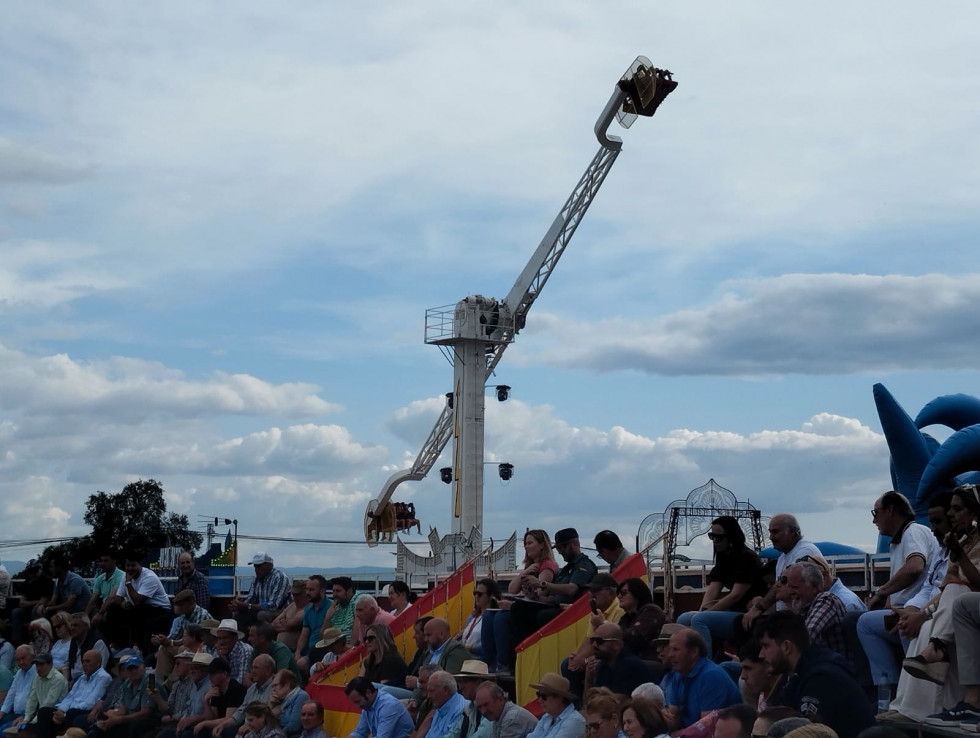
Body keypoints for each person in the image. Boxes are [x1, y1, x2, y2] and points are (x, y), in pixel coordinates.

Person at [874, 494, 951, 722]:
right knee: (872, 623)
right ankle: (896, 698)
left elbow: (920, 571)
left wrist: (918, 612)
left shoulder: (914, 532)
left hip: (946, 608)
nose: (932, 529)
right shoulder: (941, 550)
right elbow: (929, 587)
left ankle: (909, 704)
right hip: (928, 605)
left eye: (937, 522)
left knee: (914, 626)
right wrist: (910, 609)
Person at [856, 491, 938, 694]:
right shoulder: (900, 541)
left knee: (862, 623)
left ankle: (898, 690)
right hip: (906, 607)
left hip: (918, 609)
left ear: (891, 511)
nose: (874, 520)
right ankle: (888, 688)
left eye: (875, 513)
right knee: (862, 622)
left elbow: (914, 568)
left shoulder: (913, 531)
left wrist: (882, 592)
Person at [902, 483, 980, 685]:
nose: (951, 514)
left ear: (974, 512)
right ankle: (908, 707)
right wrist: (921, 614)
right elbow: (944, 591)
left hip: (970, 604)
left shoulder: (961, 546)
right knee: (924, 628)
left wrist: (959, 555)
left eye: (957, 509)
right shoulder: (961, 542)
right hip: (959, 606)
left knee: (932, 625)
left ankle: (936, 648)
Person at [759, 612, 874, 738]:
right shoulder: (799, 671)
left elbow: (808, 733)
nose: (761, 654)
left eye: (766, 646)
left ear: (786, 647)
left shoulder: (822, 680)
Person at [677, 516, 767, 659]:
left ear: (731, 536)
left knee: (700, 620)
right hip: (733, 611)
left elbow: (735, 595)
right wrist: (702, 609)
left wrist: (705, 614)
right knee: (684, 618)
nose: (714, 541)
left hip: (747, 613)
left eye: (718, 537)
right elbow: (713, 589)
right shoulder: (724, 558)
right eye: (712, 536)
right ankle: (683, 659)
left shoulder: (747, 558)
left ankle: (703, 663)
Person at [482, 531, 557, 672]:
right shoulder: (530, 566)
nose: (526, 547)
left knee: (501, 618)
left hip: (535, 609)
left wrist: (513, 605)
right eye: (525, 544)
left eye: (530, 543)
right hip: (525, 606)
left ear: (541, 545)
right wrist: (525, 572)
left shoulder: (547, 566)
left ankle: (503, 663)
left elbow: (540, 593)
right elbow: (512, 589)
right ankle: (489, 661)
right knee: (488, 617)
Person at [742, 515, 822, 633]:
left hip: (799, 618)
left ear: (791, 532)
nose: (771, 537)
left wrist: (759, 608)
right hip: (784, 615)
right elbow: (780, 590)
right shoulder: (782, 558)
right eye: (770, 532)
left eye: (775, 532)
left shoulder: (805, 551)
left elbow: (786, 586)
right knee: (744, 624)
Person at [660, 628, 742, 731]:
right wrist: (659, 717)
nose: (670, 655)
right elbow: (674, 720)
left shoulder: (711, 676)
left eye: (676, 649)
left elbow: (705, 729)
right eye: (670, 649)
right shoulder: (679, 674)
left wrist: (673, 735)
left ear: (694, 652)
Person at [561, 574, 624, 701]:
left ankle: (593, 704)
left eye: (596, 591)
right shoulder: (596, 610)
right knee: (568, 664)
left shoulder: (619, 610)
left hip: (612, 655)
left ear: (610, 593)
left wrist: (584, 661)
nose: (591, 595)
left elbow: (613, 642)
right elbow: (590, 640)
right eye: (591, 591)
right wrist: (578, 658)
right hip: (599, 652)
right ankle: (578, 707)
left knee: (595, 665)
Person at [103, 552, 174, 655]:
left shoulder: (149, 577)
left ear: (139, 565)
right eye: (128, 565)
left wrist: (128, 583)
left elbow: (137, 600)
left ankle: (139, 647)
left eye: (133, 565)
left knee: (137, 611)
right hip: (142, 608)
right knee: (113, 609)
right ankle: (116, 644)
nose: (130, 569)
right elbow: (118, 599)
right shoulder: (126, 576)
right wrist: (123, 603)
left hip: (160, 609)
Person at [37, 650, 111, 737]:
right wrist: (60, 711)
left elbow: (91, 702)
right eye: (83, 661)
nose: (84, 664)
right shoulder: (82, 678)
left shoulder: (104, 677)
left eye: (88, 661)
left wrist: (64, 714)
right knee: (44, 711)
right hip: (70, 711)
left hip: (87, 711)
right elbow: (70, 697)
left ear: (98, 663)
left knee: (72, 713)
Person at [782, 563, 847, 659]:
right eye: (789, 587)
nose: (790, 592)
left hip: (837, 671)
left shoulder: (827, 600)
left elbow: (808, 636)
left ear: (814, 587)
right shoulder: (804, 608)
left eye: (795, 587)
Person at [582, 623, 657, 701]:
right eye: (592, 640)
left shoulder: (630, 666)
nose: (594, 645)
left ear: (616, 645)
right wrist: (588, 678)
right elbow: (588, 703)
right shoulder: (603, 666)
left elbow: (613, 705)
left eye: (599, 641)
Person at [87, 654, 153, 738]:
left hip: (149, 720)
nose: (133, 671)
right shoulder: (127, 683)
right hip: (130, 717)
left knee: (131, 726)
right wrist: (111, 718)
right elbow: (122, 709)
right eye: (130, 669)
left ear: (143, 667)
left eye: (136, 667)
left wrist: (119, 719)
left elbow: (145, 713)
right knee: (102, 722)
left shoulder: (151, 680)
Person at [212, 654, 275, 738]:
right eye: (252, 668)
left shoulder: (275, 688)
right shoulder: (252, 688)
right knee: (220, 731)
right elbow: (241, 712)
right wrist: (223, 724)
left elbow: (271, 715)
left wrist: (250, 725)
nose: (252, 671)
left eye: (256, 668)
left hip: (264, 730)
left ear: (268, 670)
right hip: (246, 729)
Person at [230, 554, 291, 630]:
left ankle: (267, 639)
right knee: (238, 614)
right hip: (261, 608)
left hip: (281, 611)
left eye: (259, 566)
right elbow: (250, 598)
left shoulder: (280, 578)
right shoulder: (256, 579)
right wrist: (239, 606)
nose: (256, 569)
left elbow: (273, 606)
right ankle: (244, 640)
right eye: (255, 566)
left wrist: (247, 605)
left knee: (262, 615)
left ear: (269, 565)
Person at [341, 676, 413, 738]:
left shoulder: (389, 706)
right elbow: (360, 733)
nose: (357, 706)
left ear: (368, 693)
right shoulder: (367, 705)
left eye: (358, 701)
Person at [614, 578, 665, 661]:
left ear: (637, 593)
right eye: (618, 593)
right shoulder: (626, 618)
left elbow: (633, 638)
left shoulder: (652, 611)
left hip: (651, 660)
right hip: (633, 661)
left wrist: (603, 624)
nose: (619, 596)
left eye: (623, 593)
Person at [195, 657, 247, 736]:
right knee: (199, 732)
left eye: (213, 673)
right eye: (209, 673)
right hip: (221, 724)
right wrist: (206, 701)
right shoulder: (216, 689)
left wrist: (205, 723)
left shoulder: (234, 688)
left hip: (235, 725)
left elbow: (229, 718)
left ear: (224, 674)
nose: (210, 677)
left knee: (225, 732)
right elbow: (211, 718)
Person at [524, 674, 584, 738]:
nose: (540, 700)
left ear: (559, 698)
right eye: (538, 695)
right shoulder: (547, 717)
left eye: (544, 696)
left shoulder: (574, 721)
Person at [22, 653, 68, 730]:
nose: (38, 668)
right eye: (37, 665)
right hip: (42, 714)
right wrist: (26, 720)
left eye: (41, 664)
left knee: (44, 712)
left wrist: (33, 722)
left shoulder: (58, 678)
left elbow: (49, 703)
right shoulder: (37, 677)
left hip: (56, 716)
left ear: (50, 664)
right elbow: (32, 700)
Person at [447, 662, 494, 738]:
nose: (460, 687)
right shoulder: (469, 708)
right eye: (460, 682)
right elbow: (454, 733)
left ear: (479, 682)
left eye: (465, 682)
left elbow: (481, 735)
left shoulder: (491, 707)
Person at [295, 576, 330, 671]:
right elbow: (304, 634)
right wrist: (297, 652)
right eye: (307, 589)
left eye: (311, 590)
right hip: (309, 649)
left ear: (322, 591)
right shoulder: (308, 610)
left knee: (301, 664)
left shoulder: (331, 608)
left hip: (324, 650)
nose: (307, 593)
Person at [459, 580, 499, 660]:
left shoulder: (495, 618)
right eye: (475, 593)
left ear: (490, 596)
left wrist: (472, 648)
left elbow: (493, 645)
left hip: (481, 661)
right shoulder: (471, 618)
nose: (476, 596)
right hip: (466, 659)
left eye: (479, 594)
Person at [360, 624, 407, 689]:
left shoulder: (391, 659)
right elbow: (359, 684)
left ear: (381, 639)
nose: (367, 642)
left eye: (370, 638)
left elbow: (383, 689)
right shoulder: (368, 661)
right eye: (365, 639)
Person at [738, 640, 781, 712]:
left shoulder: (787, 701)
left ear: (769, 667)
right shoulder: (754, 692)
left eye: (748, 668)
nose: (743, 676)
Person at [421, 670, 466, 738]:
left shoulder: (461, 709)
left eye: (432, 691)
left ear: (445, 690)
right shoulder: (440, 706)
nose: (428, 696)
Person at [0, 645, 36, 730]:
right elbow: (10, 695)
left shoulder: (38, 673)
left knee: (2, 731)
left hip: (28, 715)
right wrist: (1, 712)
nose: (21, 662)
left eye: (23, 658)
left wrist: (25, 716)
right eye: (18, 660)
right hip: (14, 713)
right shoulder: (18, 673)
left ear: (32, 657)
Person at [211, 621, 253, 686]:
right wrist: (221, 660)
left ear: (235, 638)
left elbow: (242, 681)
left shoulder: (245, 651)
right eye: (219, 638)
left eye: (225, 638)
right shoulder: (218, 651)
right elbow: (213, 678)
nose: (221, 642)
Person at [87, 553, 124, 628]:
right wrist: (85, 615)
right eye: (102, 561)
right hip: (104, 610)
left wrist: (100, 614)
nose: (102, 564)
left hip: (117, 610)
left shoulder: (122, 576)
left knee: (110, 613)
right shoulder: (100, 578)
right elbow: (93, 599)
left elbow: (112, 598)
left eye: (106, 561)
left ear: (114, 561)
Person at [272, 581, 308, 654]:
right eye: (293, 595)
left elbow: (291, 623)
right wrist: (289, 626)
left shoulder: (309, 608)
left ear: (305, 593)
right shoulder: (292, 605)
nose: (295, 598)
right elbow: (274, 624)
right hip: (278, 647)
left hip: (293, 650)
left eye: (298, 595)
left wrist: (288, 624)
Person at [268, 670, 305, 737]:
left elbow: (294, 726)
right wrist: (272, 705)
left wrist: (275, 733)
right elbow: (266, 725)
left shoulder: (301, 696)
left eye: (275, 685)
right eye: (272, 686)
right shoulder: (279, 699)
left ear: (287, 685)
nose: (273, 690)